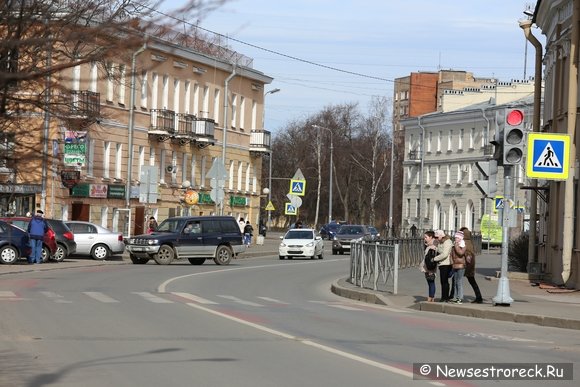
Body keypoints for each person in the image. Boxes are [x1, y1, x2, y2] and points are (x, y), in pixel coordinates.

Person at [460, 226, 483, 303]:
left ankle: (454, 296)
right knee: (472, 281)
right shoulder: (470, 241)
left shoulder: (465, 242)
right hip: (470, 265)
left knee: (457, 280)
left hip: (466, 265)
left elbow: (468, 253)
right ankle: (479, 297)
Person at [433, 229, 453, 302]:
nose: (436, 238)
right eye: (435, 237)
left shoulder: (447, 242)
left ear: (441, 236)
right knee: (443, 281)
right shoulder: (440, 242)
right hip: (442, 263)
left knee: (444, 281)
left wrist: (435, 259)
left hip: (446, 263)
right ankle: (444, 297)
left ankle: (445, 297)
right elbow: (439, 250)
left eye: (437, 237)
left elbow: (445, 254)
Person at [449, 231, 467, 304]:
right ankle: (456, 297)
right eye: (455, 237)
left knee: (459, 282)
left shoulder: (463, 245)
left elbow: (460, 253)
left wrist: (456, 245)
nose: (455, 238)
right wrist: (451, 262)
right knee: (455, 281)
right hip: (455, 265)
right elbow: (451, 254)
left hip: (461, 265)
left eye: (457, 237)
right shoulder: (455, 244)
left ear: (460, 238)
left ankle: (460, 297)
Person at [420, 231, 438, 302]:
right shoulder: (428, 245)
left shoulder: (433, 246)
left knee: (431, 281)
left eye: (426, 237)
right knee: (429, 281)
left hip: (430, 267)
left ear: (431, 237)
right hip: (427, 266)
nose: (424, 239)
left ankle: (431, 297)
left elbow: (431, 258)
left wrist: (431, 269)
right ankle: (431, 296)